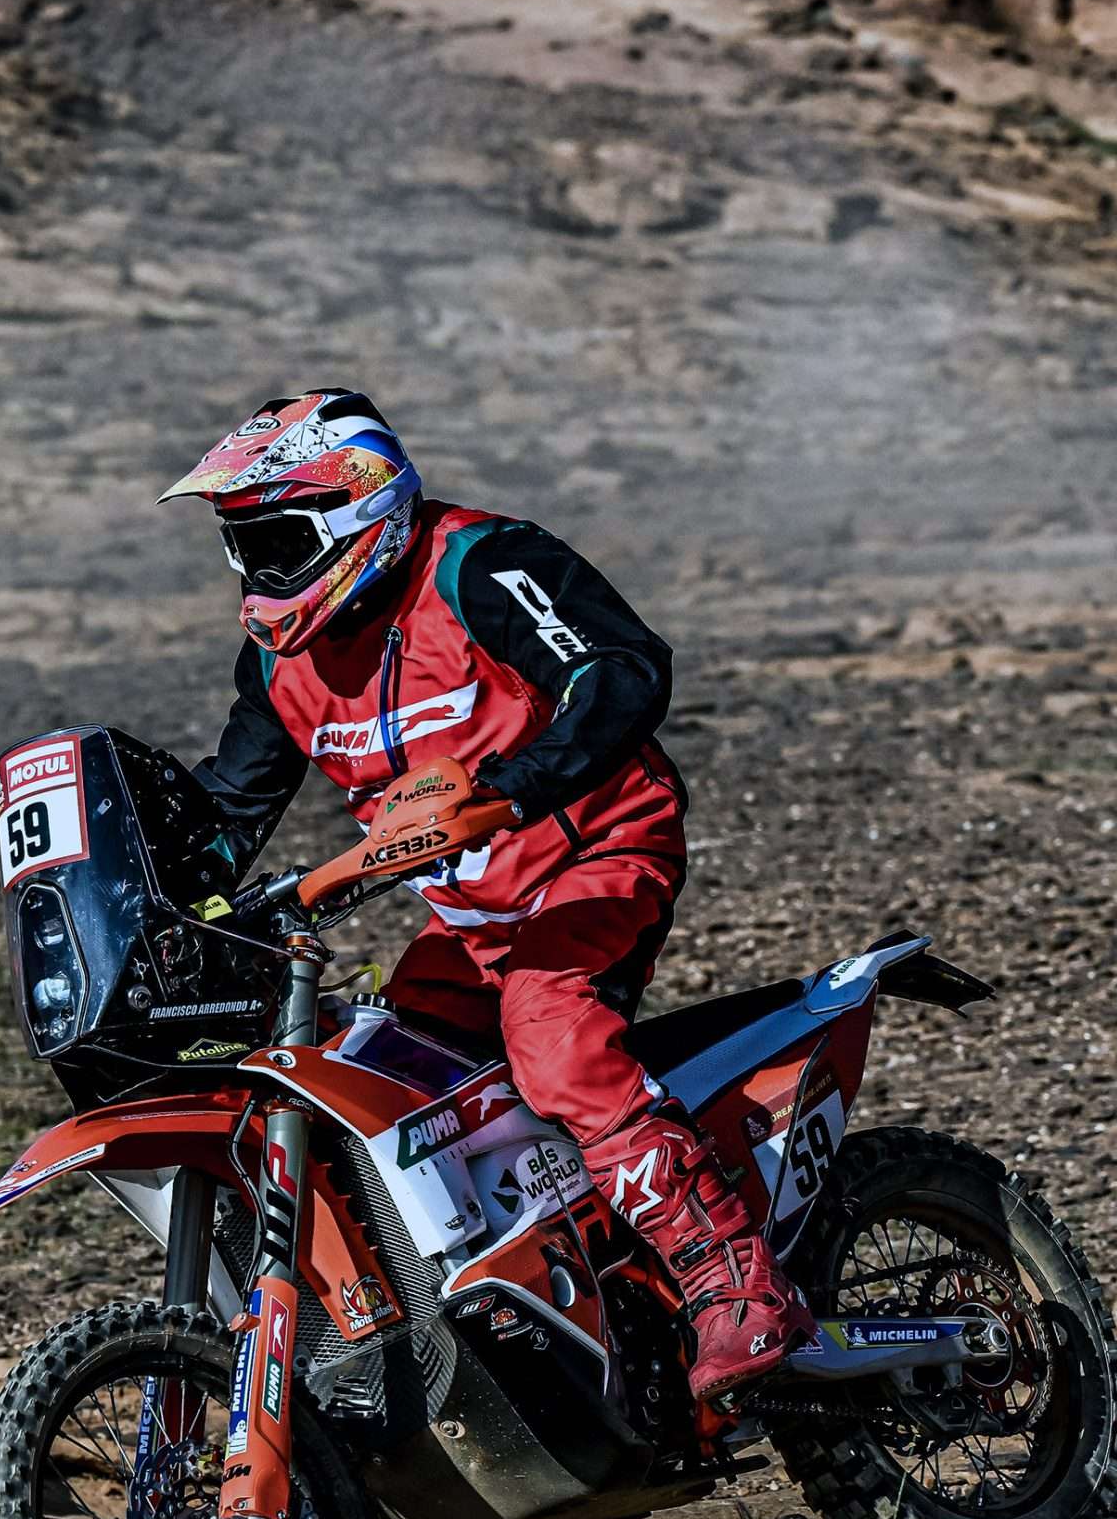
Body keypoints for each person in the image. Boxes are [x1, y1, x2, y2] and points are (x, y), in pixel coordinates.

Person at [162, 387, 814, 1407]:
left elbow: (624, 671)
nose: (258, 571)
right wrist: (152, 896)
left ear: (358, 508)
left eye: (278, 539)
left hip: (597, 849)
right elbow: (230, 809)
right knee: (384, 1079)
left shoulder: (479, 564)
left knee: (553, 1037)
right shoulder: (281, 662)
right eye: (242, 546)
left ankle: (736, 1278)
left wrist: (509, 794)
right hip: (472, 916)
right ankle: (530, 1322)